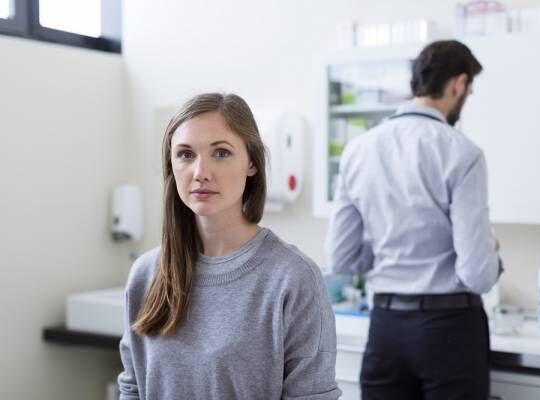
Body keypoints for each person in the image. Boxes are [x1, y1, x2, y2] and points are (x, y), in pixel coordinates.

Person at [118, 93, 341, 400]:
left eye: (220, 153)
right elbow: (132, 389)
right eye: (185, 154)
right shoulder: (145, 274)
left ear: (252, 163)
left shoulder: (293, 278)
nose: (200, 172)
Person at [326, 40, 502, 400]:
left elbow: (342, 259)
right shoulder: (462, 152)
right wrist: (490, 252)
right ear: (458, 85)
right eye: (468, 91)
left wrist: (390, 248)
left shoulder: (358, 150)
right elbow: (478, 275)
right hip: (450, 330)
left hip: (386, 329)